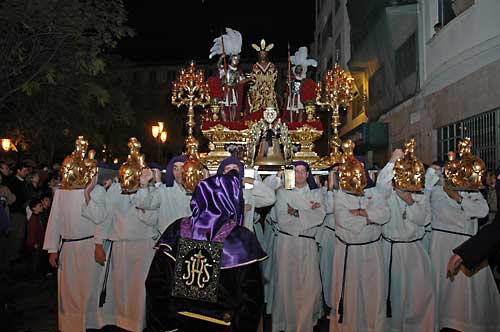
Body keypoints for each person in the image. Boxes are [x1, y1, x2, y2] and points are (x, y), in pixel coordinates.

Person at [146, 170, 266, 332]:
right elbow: (251, 299)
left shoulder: (175, 231)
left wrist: (165, 325)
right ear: (232, 200)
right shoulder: (240, 239)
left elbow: (156, 285)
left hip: (179, 324)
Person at [84, 169, 158, 332]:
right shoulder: (116, 190)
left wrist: (141, 197)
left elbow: (153, 219)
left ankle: (139, 325)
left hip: (143, 246)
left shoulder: (150, 190)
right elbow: (105, 218)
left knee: (139, 291)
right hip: (119, 246)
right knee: (120, 289)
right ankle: (121, 323)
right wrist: (98, 244)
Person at [330, 142, 390, 332]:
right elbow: (345, 220)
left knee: (374, 295)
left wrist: (361, 213)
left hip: (372, 251)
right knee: (349, 296)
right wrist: (370, 216)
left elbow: (385, 214)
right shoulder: (340, 195)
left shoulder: (374, 192)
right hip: (350, 253)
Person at [429, 173, 500, 331]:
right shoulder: (438, 190)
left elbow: (482, 211)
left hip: (470, 244)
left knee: (469, 296)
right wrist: (465, 211)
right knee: (446, 293)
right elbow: (447, 216)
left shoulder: (472, 190)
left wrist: (458, 199)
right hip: (444, 244)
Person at [376, 149, 435, 331]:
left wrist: (409, 201)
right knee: (392, 295)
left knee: (418, 295)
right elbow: (380, 185)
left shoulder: (420, 194)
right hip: (390, 249)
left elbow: (424, 220)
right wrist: (393, 160)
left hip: (413, 250)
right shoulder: (389, 190)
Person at [43, 176, 104, 331]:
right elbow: (55, 219)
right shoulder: (61, 192)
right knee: (69, 291)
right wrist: (52, 249)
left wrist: (99, 244)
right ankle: (70, 326)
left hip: (89, 246)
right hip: (68, 247)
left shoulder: (97, 190)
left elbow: (100, 220)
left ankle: (89, 324)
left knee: (89, 288)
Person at [271, 161, 325, 332]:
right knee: (287, 283)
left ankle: (305, 322)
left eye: (303, 171)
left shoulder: (317, 194)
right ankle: (288, 322)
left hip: (308, 244)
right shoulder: (283, 194)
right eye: (297, 171)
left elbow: (319, 216)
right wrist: (308, 211)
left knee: (310, 285)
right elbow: (283, 220)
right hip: (287, 243)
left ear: (308, 174)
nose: (300, 175)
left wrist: (295, 211)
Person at [216, 156, 276, 241]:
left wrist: (253, 182)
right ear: (223, 172)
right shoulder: (216, 192)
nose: (232, 171)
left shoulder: (248, 193)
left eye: (235, 168)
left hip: (244, 239)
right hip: (223, 239)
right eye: (228, 168)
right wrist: (239, 210)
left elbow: (270, 198)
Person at [135, 155, 192, 235]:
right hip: (168, 240)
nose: (178, 172)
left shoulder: (198, 191)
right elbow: (144, 203)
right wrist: (143, 185)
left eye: (182, 168)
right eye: (175, 168)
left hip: (189, 239)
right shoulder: (164, 190)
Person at [208, 28, 248, 122]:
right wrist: (221, 58)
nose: (236, 61)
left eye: (238, 59)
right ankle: (226, 122)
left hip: (233, 90)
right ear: (231, 59)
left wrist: (250, 78)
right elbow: (218, 66)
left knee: (233, 106)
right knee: (222, 107)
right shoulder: (225, 68)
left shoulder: (238, 71)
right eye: (235, 59)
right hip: (224, 90)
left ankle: (232, 122)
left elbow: (241, 81)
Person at [284, 46, 317, 123]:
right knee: (292, 110)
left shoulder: (304, 80)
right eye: (297, 69)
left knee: (301, 109)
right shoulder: (291, 78)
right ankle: (292, 123)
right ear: (295, 70)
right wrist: (288, 82)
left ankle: (300, 123)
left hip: (300, 96)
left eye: (300, 69)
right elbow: (288, 85)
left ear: (302, 70)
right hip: (293, 96)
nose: (298, 70)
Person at [248, 39, 278, 113]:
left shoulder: (271, 66)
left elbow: (275, 77)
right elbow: (253, 78)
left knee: (271, 108)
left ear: (266, 54)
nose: (263, 55)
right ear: (259, 55)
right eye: (261, 54)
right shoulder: (255, 66)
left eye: (264, 54)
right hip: (259, 90)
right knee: (257, 108)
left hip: (269, 90)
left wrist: (270, 85)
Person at [25, 199, 45, 275]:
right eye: (40, 206)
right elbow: (31, 232)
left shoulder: (37, 217)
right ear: (34, 208)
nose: (42, 207)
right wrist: (34, 243)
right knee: (34, 261)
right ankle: (33, 276)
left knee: (36, 260)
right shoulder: (33, 219)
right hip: (34, 244)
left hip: (37, 243)